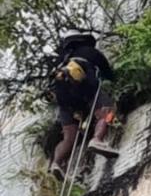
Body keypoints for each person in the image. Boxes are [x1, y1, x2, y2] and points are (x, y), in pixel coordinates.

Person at [50, 31, 119, 180]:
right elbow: (109, 75)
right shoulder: (89, 52)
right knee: (108, 110)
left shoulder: (61, 61)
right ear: (81, 40)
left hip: (63, 98)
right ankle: (97, 140)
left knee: (69, 136)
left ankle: (56, 163)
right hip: (86, 88)